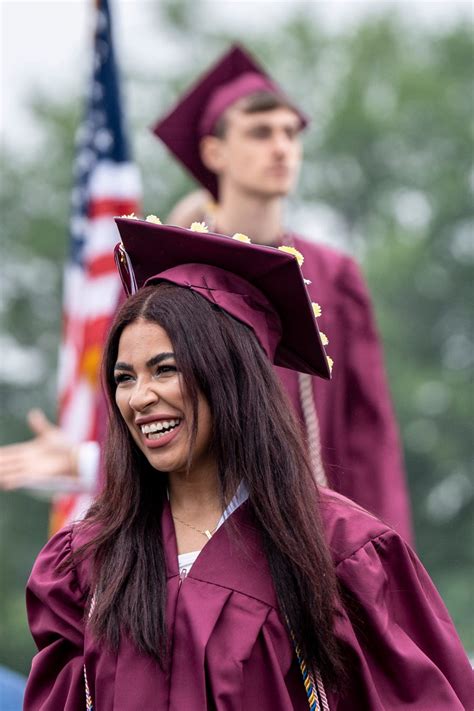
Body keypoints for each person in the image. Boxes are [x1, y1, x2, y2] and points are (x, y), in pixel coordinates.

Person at [24, 219, 472, 710]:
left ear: (228, 376)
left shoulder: (340, 552)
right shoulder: (86, 563)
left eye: (165, 369)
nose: (140, 398)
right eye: (124, 377)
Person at [1, 44, 412, 543]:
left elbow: (369, 439)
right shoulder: (171, 273)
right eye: (260, 133)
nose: (281, 148)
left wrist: (382, 558)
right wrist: (88, 462)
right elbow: (140, 404)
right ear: (213, 151)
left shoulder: (335, 276)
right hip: (205, 537)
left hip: (312, 536)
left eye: (290, 133)